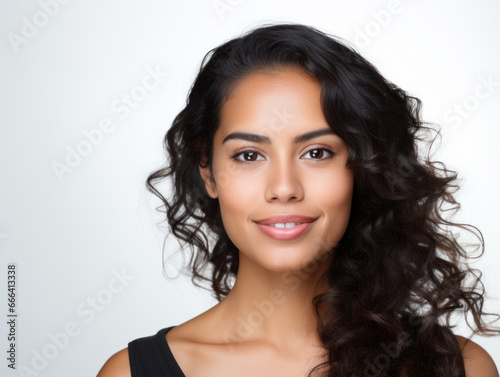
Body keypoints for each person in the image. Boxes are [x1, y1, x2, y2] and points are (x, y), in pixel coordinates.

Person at [97, 23, 500, 377]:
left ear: (361, 166)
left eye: (317, 152)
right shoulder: (133, 372)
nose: (284, 187)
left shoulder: (456, 366)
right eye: (249, 155)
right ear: (208, 171)